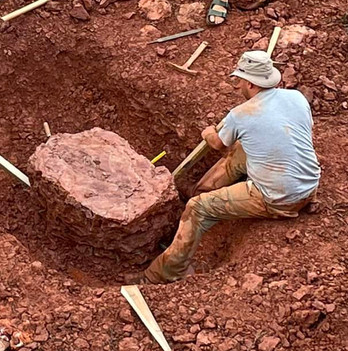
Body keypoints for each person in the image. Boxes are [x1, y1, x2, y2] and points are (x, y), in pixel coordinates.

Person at [135, 51, 321, 284]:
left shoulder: (240, 115)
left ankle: (162, 274)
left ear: (251, 84)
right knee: (242, 148)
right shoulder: (296, 98)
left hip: (278, 197)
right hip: (310, 182)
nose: (237, 85)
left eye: (240, 80)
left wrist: (208, 132)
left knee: (197, 208)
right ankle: (202, 192)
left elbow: (217, 144)